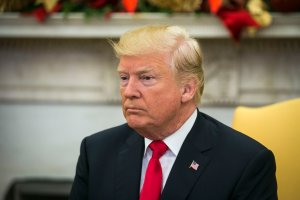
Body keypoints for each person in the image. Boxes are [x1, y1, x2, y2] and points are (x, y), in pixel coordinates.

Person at [70, 25, 277, 200]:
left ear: (187, 89)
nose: (129, 92)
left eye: (146, 78)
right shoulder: (96, 151)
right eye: (124, 78)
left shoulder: (247, 162)